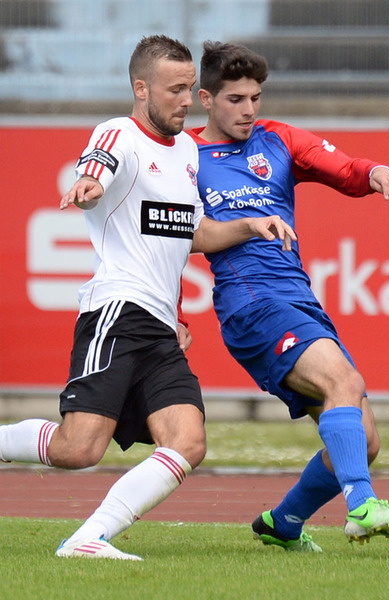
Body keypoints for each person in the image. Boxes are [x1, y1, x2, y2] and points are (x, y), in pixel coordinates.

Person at [0, 35, 296, 561]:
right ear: (141, 89)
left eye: (190, 88)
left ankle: (89, 538)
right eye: (174, 90)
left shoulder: (186, 152)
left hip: (159, 325)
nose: (186, 100)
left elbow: (192, 233)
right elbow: (97, 165)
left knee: (187, 440)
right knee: (79, 448)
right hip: (118, 311)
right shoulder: (119, 133)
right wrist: (89, 183)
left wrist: (249, 225)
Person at [188, 41, 389, 552]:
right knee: (344, 381)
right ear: (206, 99)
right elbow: (187, 238)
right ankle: (363, 507)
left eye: (256, 98)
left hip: (297, 298)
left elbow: (344, 170)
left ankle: (283, 523)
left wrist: (373, 171)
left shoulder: (278, 140)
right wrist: (248, 225)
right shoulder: (184, 158)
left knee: (364, 440)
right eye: (235, 99)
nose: (248, 110)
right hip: (251, 303)